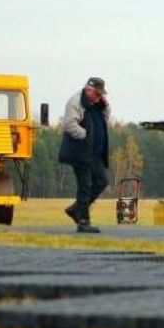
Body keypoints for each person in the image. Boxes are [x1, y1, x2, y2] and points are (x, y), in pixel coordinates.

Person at [58, 77, 110, 234]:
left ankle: (77, 209)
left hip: (95, 154)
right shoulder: (76, 102)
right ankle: (83, 221)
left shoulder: (97, 105)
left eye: (101, 94)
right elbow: (69, 124)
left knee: (102, 181)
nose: (99, 97)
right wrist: (86, 136)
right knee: (85, 185)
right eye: (97, 94)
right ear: (89, 89)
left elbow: (105, 120)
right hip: (80, 152)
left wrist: (105, 105)